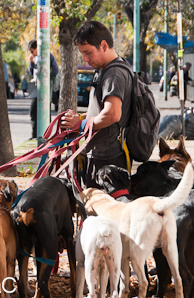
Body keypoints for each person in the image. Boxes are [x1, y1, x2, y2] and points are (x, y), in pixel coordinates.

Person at [60, 21, 132, 188]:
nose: (85, 60)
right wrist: (79, 118)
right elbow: (101, 110)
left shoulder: (114, 74)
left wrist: (81, 124)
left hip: (108, 160)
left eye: (88, 52)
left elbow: (112, 114)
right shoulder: (105, 70)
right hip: (102, 155)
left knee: (103, 212)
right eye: (82, 54)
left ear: (103, 45)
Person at [28, 39, 59, 139]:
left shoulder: (47, 56)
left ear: (37, 48)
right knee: (33, 111)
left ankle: (46, 135)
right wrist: (31, 63)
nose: (32, 53)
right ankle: (34, 135)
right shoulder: (34, 58)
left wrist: (45, 78)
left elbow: (55, 69)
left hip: (45, 87)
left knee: (45, 111)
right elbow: (31, 71)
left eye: (32, 51)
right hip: (35, 86)